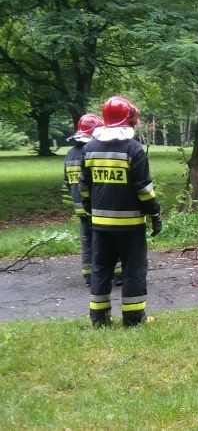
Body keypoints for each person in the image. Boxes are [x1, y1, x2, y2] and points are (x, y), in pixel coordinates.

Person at [80, 96, 162, 327]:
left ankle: (99, 318)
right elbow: (144, 190)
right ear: (129, 120)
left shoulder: (90, 149)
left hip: (100, 225)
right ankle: (134, 319)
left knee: (101, 270)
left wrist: (90, 209)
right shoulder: (133, 150)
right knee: (133, 270)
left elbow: (84, 186)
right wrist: (154, 214)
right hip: (130, 226)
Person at [63, 115, 123, 288]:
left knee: (87, 241)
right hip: (96, 207)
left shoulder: (69, 154)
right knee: (109, 240)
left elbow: (67, 181)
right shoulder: (90, 151)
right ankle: (116, 275)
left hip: (80, 208)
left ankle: (89, 277)